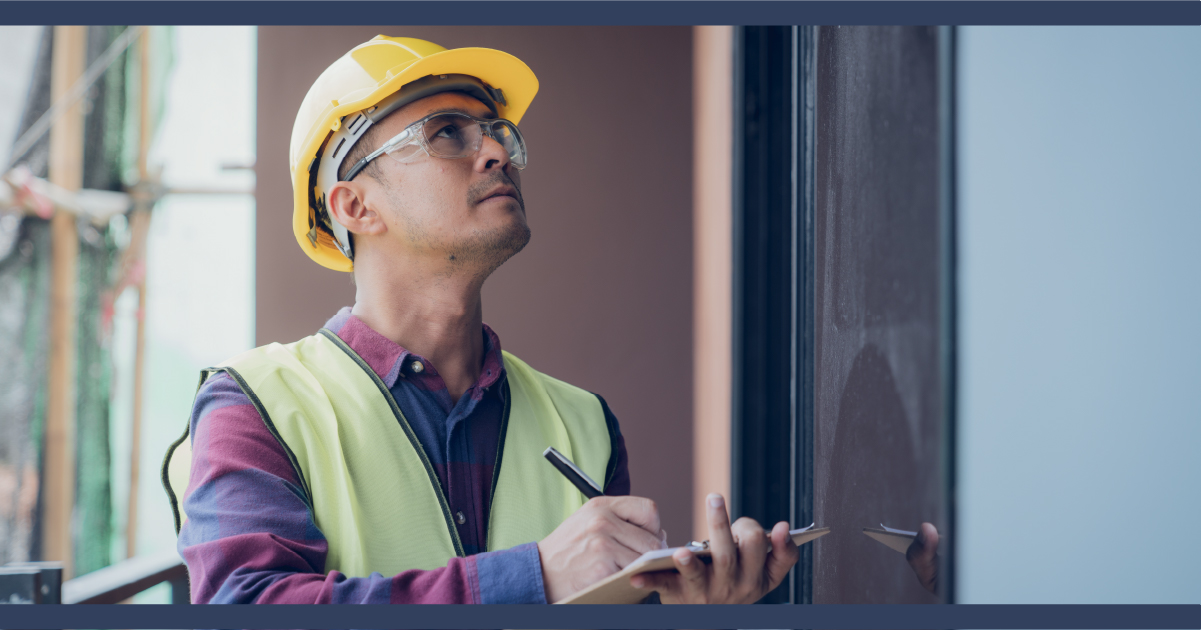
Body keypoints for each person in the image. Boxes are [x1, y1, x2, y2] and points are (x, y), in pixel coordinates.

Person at [161, 35, 801, 605]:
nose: (498, 151)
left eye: (496, 132)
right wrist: (535, 578)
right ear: (355, 204)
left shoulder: (586, 426)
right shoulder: (254, 408)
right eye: (447, 133)